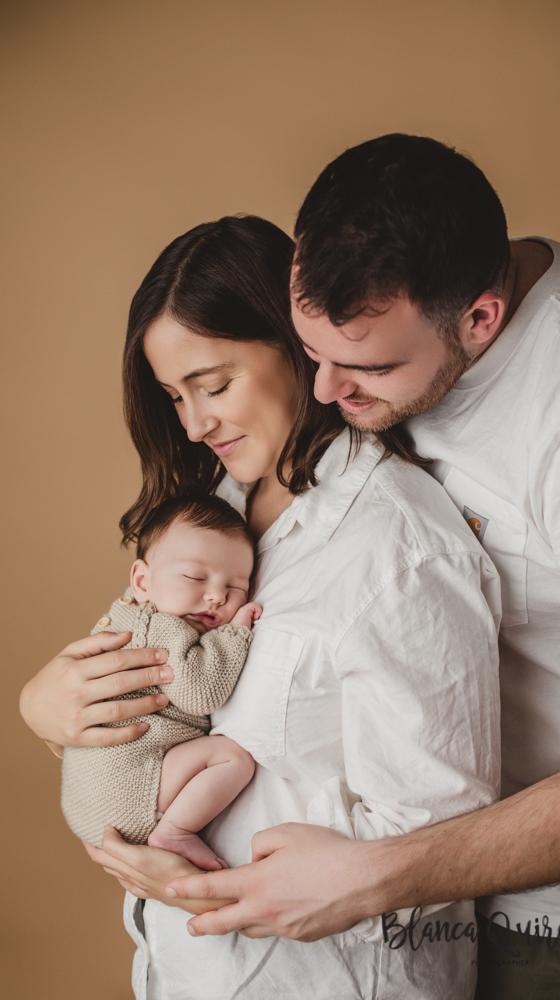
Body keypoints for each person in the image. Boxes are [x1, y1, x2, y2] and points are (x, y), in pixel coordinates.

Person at [50, 135, 560, 998]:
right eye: (314, 353)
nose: (329, 391)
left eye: (365, 367)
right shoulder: (266, 462)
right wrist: (53, 706)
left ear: (480, 320)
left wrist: (360, 879)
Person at [21, 215, 502, 999]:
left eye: (214, 386)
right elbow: (162, 712)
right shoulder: (219, 511)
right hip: (191, 973)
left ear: (298, 344)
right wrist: (49, 711)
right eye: (175, 396)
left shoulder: (396, 547)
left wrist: (209, 889)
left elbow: (442, 838)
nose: (194, 423)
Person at [62, 495, 261, 872]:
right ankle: (175, 831)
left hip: (90, 802)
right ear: (142, 581)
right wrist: (234, 634)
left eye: (237, 586)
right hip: (128, 791)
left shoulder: (126, 617)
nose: (217, 596)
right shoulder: (163, 628)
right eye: (195, 577)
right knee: (233, 757)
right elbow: (201, 693)